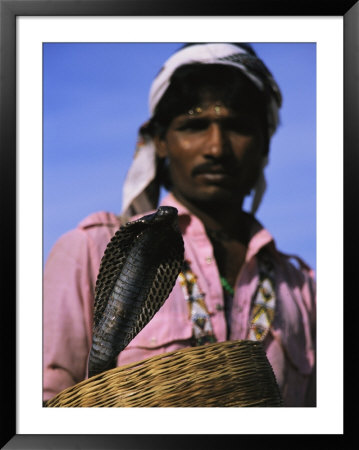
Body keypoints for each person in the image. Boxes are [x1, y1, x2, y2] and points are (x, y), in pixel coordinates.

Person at [43, 43, 316, 407]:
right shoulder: (89, 251)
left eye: (237, 127)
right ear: (159, 142)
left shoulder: (303, 290)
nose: (216, 148)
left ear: (265, 145)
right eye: (194, 125)